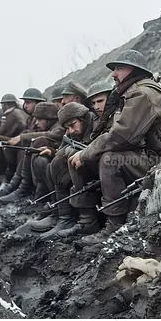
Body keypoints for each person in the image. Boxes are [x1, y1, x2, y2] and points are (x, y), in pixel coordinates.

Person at [67, 50, 161, 245]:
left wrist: (86, 153)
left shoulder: (143, 93)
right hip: (148, 156)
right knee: (93, 156)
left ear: (134, 70)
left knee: (109, 159)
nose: (114, 74)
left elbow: (122, 136)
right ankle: (90, 220)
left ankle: (114, 226)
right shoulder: (132, 92)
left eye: (119, 68)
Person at [28, 102, 99, 239]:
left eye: (73, 125)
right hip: (88, 167)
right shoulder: (76, 129)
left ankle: (86, 220)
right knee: (54, 162)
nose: (71, 130)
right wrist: (53, 151)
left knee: (69, 154)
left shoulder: (97, 124)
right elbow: (61, 151)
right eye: (68, 127)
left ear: (82, 118)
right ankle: (63, 217)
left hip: (100, 168)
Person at [0, 102, 64, 203]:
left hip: (62, 161)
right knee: (33, 144)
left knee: (39, 141)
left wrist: (22, 137)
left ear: (49, 119)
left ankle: (23, 188)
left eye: (39, 119)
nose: (36, 123)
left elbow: (52, 135)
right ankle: (17, 185)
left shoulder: (60, 126)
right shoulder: (50, 126)